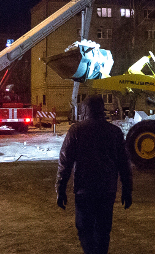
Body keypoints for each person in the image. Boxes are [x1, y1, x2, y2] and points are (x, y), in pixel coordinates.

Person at [56, 95, 133, 254]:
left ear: (85, 110)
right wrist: (127, 189)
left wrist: (61, 189)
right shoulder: (115, 132)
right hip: (107, 189)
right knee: (103, 231)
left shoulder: (76, 130)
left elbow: (65, 162)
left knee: (85, 230)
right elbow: (124, 163)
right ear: (102, 110)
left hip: (85, 189)